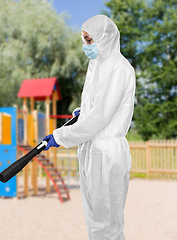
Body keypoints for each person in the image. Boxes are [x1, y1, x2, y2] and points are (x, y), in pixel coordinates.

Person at [44, 15, 136, 240]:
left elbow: (101, 117)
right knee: (95, 222)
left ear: (104, 39)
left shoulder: (118, 68)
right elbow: (96, 107)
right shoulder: (98, 65)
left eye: (88, 39)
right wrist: (82, 112)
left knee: (107, 225)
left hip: (106, 154)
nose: (85, 45)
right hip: (91, 151)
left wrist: (61, 135)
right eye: (84, 40)